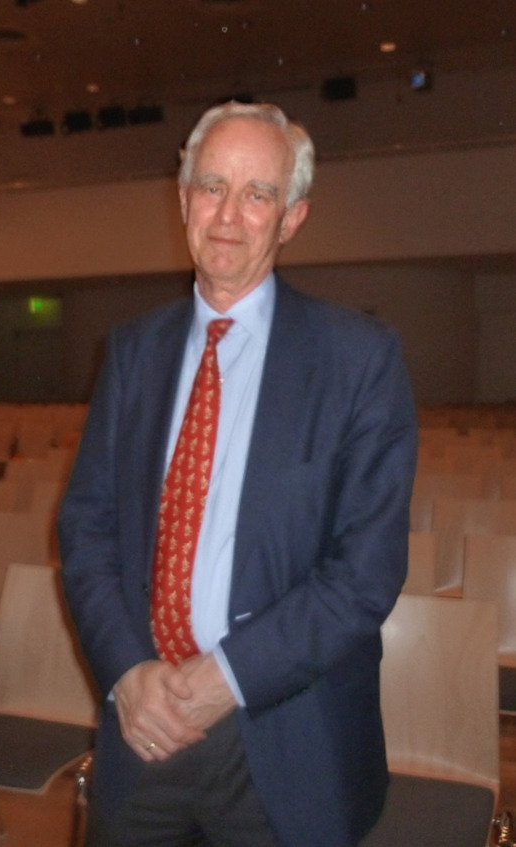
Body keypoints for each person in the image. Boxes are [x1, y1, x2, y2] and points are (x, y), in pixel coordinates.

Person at [58, 100, 418, 847]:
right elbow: (87, 530)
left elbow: (364, 573)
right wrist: (127, 672)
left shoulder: (359, 359)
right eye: (212, 185)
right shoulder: (130, 353)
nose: (228, 214)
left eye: (257, 194)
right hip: (143, 729)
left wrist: (224, 677)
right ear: (182, 198)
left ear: (291, 218)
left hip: (288, 736)